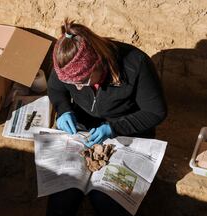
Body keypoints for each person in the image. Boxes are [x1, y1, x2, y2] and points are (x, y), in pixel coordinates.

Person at [46, 19, 167, 216]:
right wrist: (64, 110)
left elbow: (155, 112)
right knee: (63, 193)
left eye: (83, 81)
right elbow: (56, 89)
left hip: (128, 133)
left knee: (106, 199)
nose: (77, 87)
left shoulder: (135, 64)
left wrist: (114, 128)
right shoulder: (66, 64)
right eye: (71, 82)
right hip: (84, 133)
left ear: (97, 63)